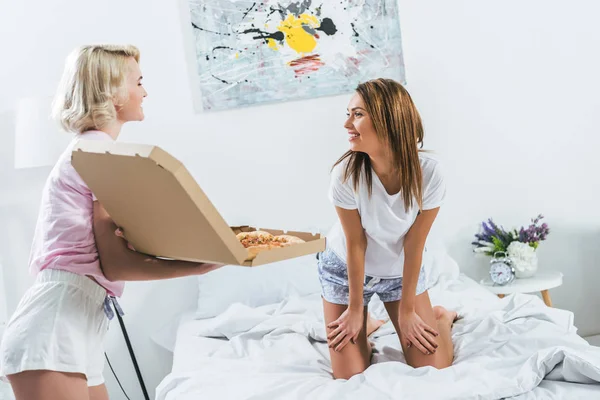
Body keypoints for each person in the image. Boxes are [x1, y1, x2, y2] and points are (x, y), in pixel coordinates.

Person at [0, 44, 224, 400]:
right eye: (138, 82)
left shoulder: (96, 152)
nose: (145, 91)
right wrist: (194, 267)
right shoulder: (96, 154)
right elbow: (117, 263)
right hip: (55, 325)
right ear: (113, 93)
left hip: (76, 324)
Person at [318, 78, 458, 380]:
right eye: (348, 113)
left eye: (357, 114)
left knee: (434, 366)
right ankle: (367, 323)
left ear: (388, 119)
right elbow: (356, 243)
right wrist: (355, 309)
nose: (346, 124)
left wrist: (408, 311)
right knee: (348, 376)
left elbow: (414, 244)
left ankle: (441, 319)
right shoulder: (345, 174)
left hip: (398, 271)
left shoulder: (430, 173)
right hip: (345, 269)